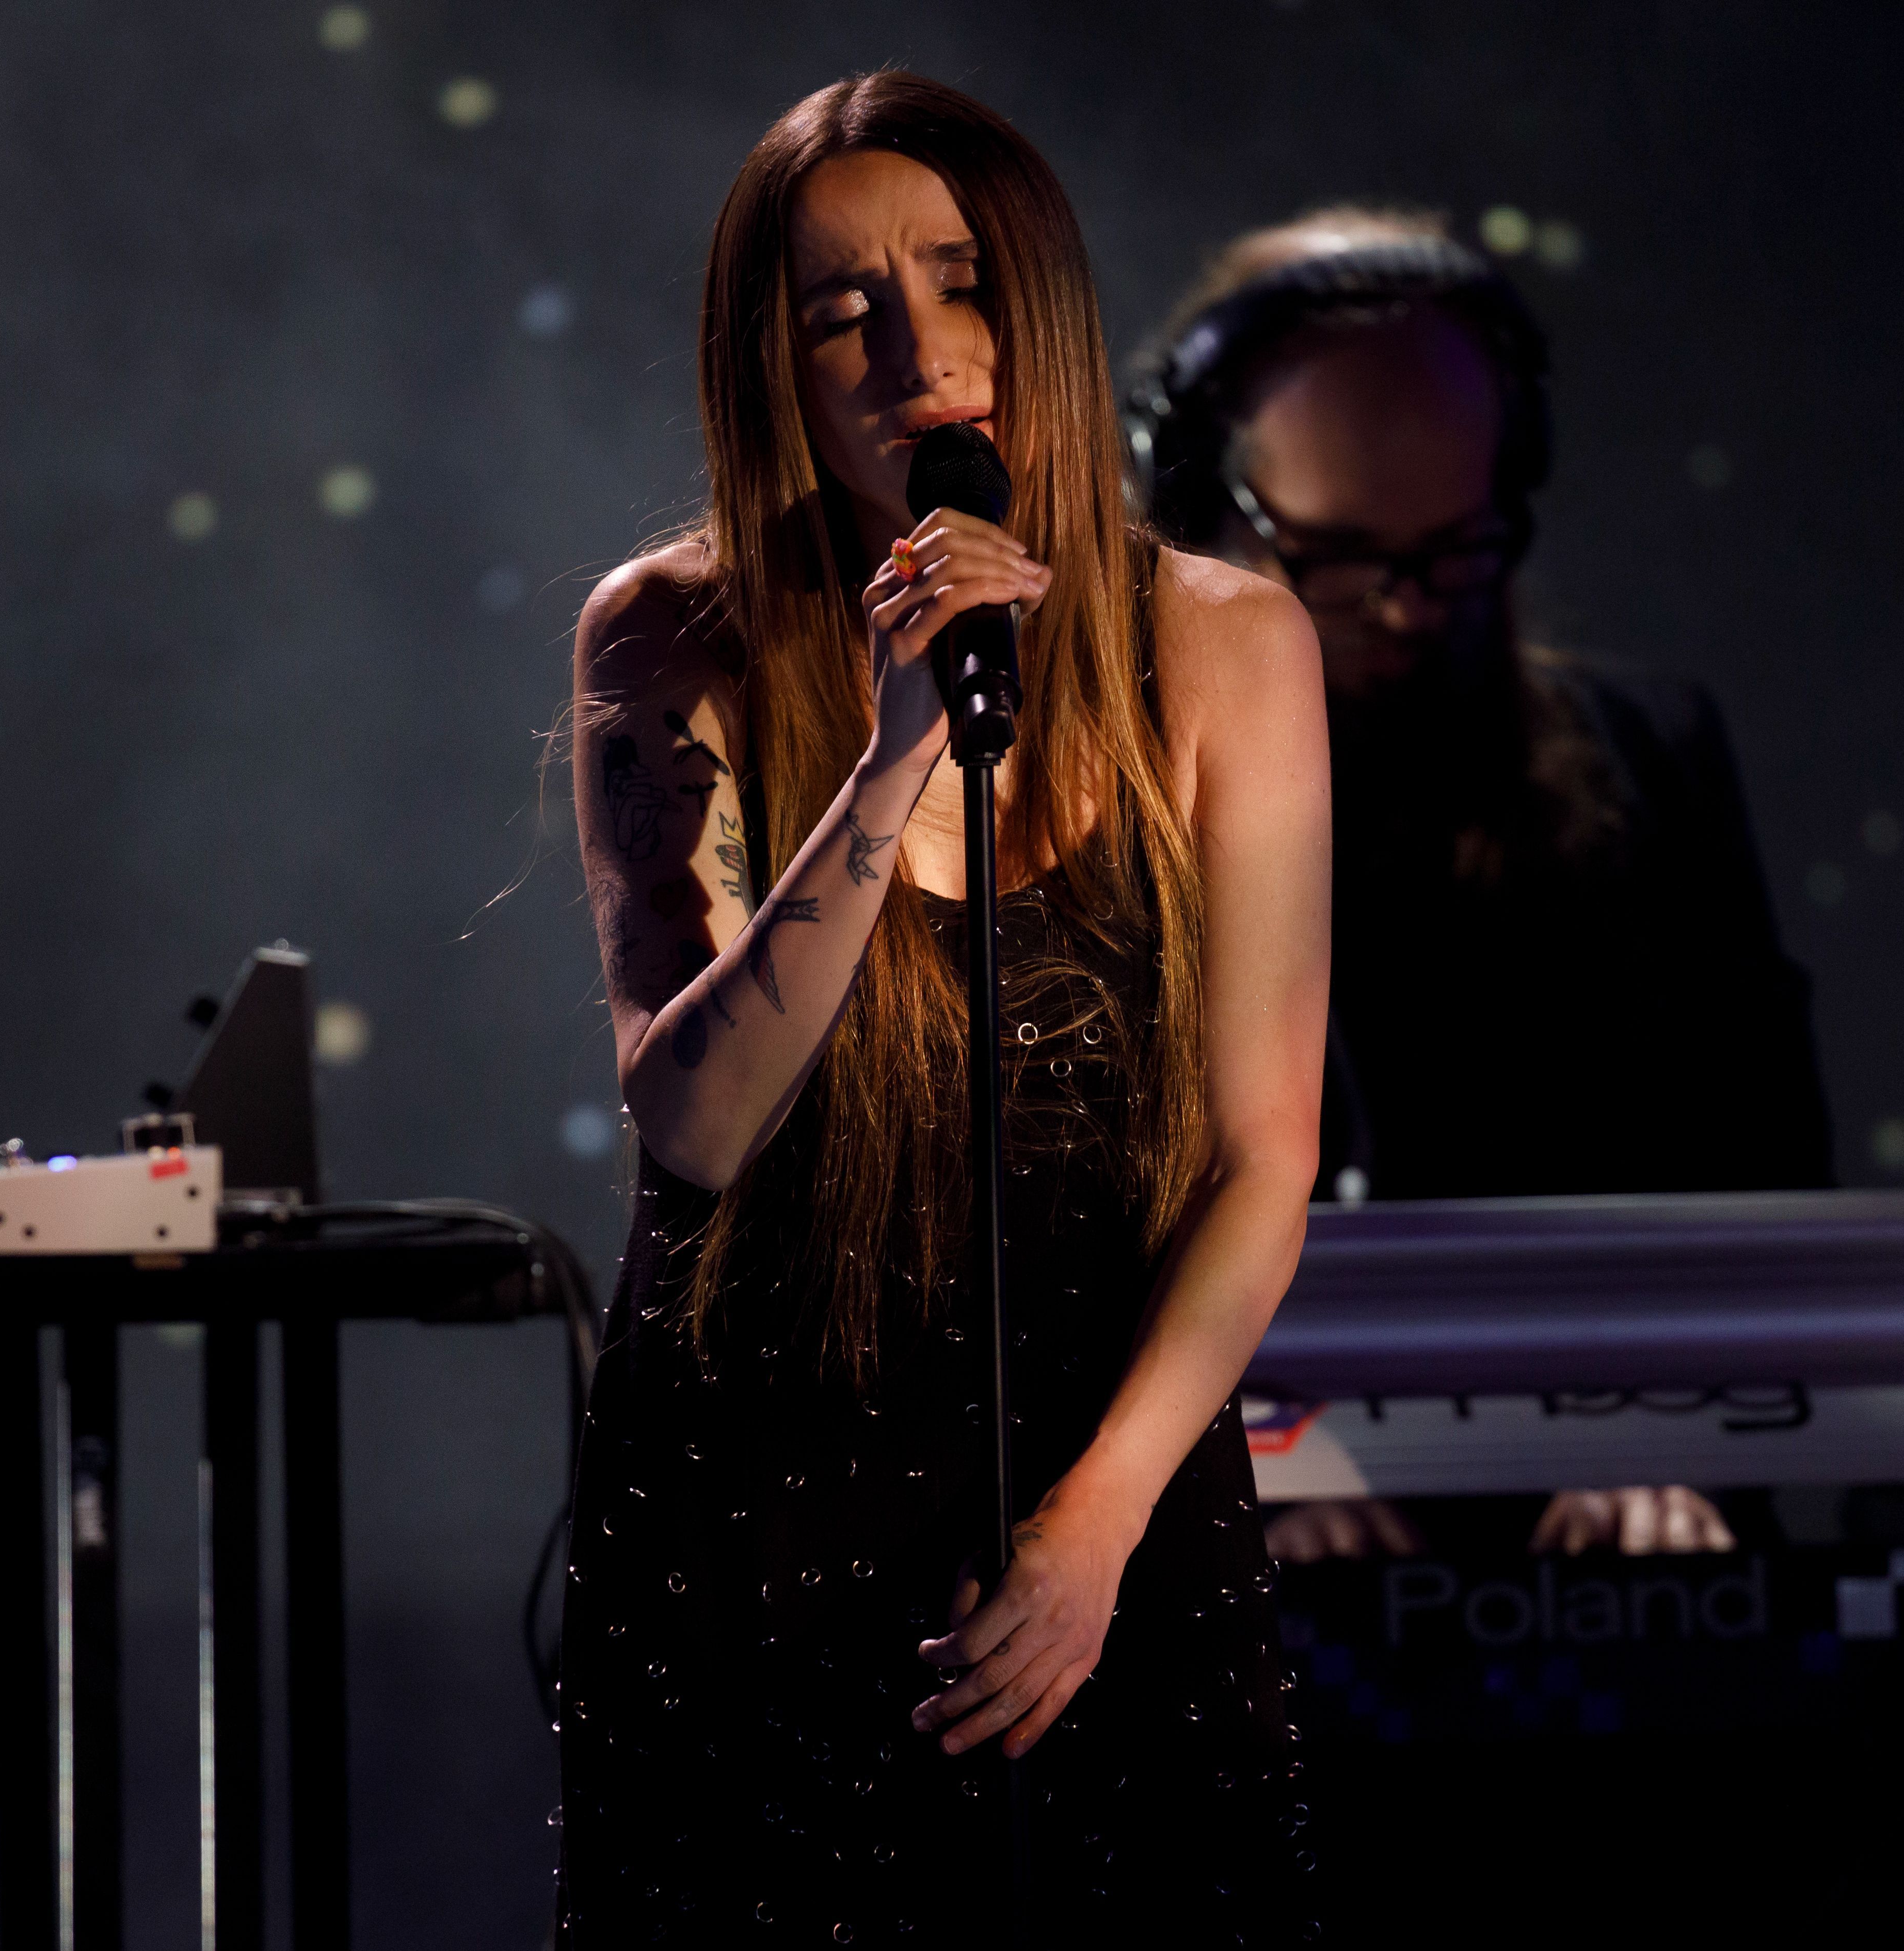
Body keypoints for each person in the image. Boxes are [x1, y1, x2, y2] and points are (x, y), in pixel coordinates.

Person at [557, 74, 1331, 1945]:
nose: (920, 355)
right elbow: (697, 1120)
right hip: (762, 1525)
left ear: (1042, 305)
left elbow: (1262, 1151)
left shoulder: (1223, 643)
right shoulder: (671, 638)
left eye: (961, 282)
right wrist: (895, 752)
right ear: (778, 374)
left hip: (1099, 1499)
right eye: (843, 315)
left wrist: (1095, 1528)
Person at [1129, 209, 1836, 1564]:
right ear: (1203, 509)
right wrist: (1247, 1455)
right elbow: (1026, 1252)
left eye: (1456, 552)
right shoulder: (1079, 810)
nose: (1406, 609)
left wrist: (1672, 1440)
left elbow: (1766, 1193)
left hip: (1628, 1544)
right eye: (1339, 561)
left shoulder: (1652, 766)